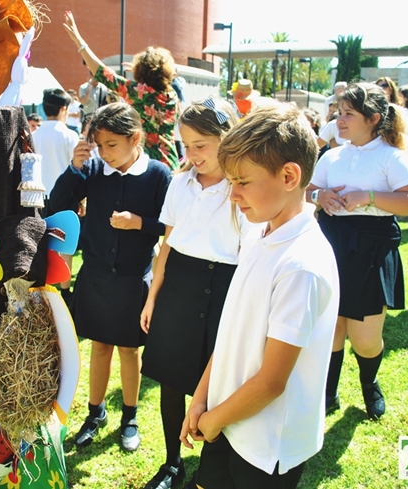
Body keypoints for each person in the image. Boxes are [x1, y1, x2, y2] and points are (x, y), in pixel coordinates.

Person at [180, 103, 339, 489]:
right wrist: (202, 398)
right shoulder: (258, 233)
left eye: (243, 182)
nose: (233, 194)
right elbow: (232, 332)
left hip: (267, 445)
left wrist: (213, 419)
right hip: (228, 417)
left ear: (289, 175)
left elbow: (271, 382)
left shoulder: (300, 265)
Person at [49, 102, 171, 453]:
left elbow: (170, 224)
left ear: (135, 139)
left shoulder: (158, 175)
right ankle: (94, 412)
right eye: (99, 146)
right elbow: (59, 204)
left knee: (129, 351)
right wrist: (74, 167)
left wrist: (140, 224)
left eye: (111, 145)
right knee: (100, 347)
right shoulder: (93, 171)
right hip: (96, 276)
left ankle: (129, 417)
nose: (105, 153)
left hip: (134, 278)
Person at [139, 98, 247, 489]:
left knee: (216, 382)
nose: (193, 154)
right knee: (171, 379)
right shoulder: (179, 183)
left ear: (226, 138)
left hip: (224, 288)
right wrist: (153, 297)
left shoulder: (240, 190)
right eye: (186, 145)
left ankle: (209, 465)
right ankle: (172, 463)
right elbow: (167, 245)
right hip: (179, 285)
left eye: (201, 144)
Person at [306, 82, 408, 419]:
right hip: (331, 245)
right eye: (339, 113)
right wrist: (319, 197)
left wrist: (369, 197)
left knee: (365, 338)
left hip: (371, 250)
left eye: (348, 115)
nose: (339, 120)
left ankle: (369, 383)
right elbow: (305, 193)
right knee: (331, 327)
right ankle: (327, 393)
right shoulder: (332, 155)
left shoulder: (392, 157)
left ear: (373, 118)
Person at [64, 11, 180, 171]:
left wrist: (79, 42)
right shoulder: (172, 96)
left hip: (148, 167)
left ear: (140, 71)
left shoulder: (138, 93)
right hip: (171, 162)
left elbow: (101, 73)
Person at [32, 88, 79, 302]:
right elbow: (77, 167)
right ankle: (65, 290)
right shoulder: (69, 135)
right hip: (64, 196)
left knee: (40, 242)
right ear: (64, 108)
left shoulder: (34, 135)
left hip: (38, 198)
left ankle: (43, 283)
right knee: (65, 243)